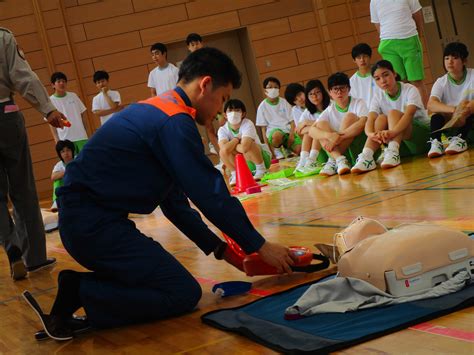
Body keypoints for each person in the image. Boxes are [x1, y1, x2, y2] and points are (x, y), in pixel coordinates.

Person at [22, 47, 295, 341]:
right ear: (205, 85)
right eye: (223, 99)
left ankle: (80, 292)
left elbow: (175, 205)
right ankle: (82, 290)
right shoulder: (175, 122)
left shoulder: (157, 111)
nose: (220, 109)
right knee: (181, 292)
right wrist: (259, 245)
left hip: (89, 222)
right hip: (92, 226)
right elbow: (210, 194)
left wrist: (227, 252)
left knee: (171, 284)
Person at [0, 27, 64, 280]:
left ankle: (10, 247)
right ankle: (35, 258)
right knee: (23, 190)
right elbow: (22, 76)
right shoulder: (3, 37)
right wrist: (47, 109)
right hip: (6, 113)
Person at [351, 60, 430, 174]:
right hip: (401, 146)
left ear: (394, 73)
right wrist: (371, 134)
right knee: (381, 118)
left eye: (386, 75)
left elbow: (409, 115)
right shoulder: (378, 96)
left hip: (421, 139)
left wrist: (392, 132)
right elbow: (371, 118)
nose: (382, 81)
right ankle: (367, 156)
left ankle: (392, 151)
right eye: (377, 78)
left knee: (393, 113)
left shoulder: (409, 89)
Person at [309, 72, 368, 176]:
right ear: (330, 92)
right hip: (340, 150)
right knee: (321, 125)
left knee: (350, 117)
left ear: (349, 89)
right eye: (335, 89)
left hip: (359, 150)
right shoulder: (329, 110)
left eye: (342, 88)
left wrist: (338, 138)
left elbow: (362, 123)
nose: (339, 92)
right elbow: (312, 131)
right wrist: (330, 136)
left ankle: (333, 160)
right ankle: (339, 159)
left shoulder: (359, 103)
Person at [370, 0, 428, 105]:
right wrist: (385, 37)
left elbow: (417, 14)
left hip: (409, 38)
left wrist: (418, 34)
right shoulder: (374, 1)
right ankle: (406, 116)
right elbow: (377, 23)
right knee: (399, 82)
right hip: (388, 44)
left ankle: (423, 115)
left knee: (416, 81)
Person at [427, 42, 473, 158]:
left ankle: (460, 139)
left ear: (464, 61)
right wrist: (454, 109)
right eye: (446, 58)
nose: (450, 61)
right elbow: (431, 104)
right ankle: (436, 142)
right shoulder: (441, 82)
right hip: (450, 118)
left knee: (467, 104)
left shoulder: (472, 75)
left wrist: (463, 109)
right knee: (436, 115)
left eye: (455, 58)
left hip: (468, 115)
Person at [218, 99, 271, 185]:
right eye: (230, 110)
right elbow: (224, 150)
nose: (234, 113)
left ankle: (261, 169)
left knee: (250, 145)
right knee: (222, 152)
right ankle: (236, 174)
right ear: (225, 115)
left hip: (261, 158)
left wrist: (231, 144)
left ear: (243, 114)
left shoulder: (248, 124)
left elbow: (244, 148)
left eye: (237, 110)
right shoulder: (222, 130)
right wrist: (237, 139)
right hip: (243, 163)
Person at [256, 77, 302, 159]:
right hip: (274, 134)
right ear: (265, 90)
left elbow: (292, 121)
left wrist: (291, 136)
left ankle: (287, 148)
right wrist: (269, 150)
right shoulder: (262, 107)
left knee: (299, 149)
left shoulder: (284, 102)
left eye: (275, 87)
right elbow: (263, 129)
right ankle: (277, 149)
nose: (273, 89)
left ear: (279, 90)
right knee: (277, 135)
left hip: (287, 132)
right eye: (270, 87)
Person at [294, 80, 330, 176]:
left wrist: (307, 123)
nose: (314, 96)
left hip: (329, 143)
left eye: (317, 92)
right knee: (311, 131)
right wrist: (311, 128)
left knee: (316, 129)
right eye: (311, 94)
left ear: (323, 92)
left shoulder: (331, 106)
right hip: (319, 150)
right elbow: (298, 130)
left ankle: (311, 159)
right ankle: (304, 160)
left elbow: (330, 125)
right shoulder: (308, 112)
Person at [49, 72, 89, 153]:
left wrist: (86, 132)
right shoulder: (50, 101)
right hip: (65, 140)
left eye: (64, 81)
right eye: (59, 81)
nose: (62, 83)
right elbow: (51, 123)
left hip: (81, 137)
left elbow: (83, 113)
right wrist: (56, 140)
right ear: (53, 85)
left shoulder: (73, 96)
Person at [350, 43, 378, 108]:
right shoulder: (351, 81)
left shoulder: (378, 76)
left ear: (370, 57)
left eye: (365, 56)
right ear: (354, 60)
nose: (362, 60)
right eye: (358, 57)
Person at [50, 140, 75, 212]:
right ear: (59, 154)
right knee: (57, 180)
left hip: (78, 185)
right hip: (66, 187)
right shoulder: (59, 165)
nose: (66, 153)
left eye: (68, 150)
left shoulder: (77, 159)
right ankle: (56, 202)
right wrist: (67, 171)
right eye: (63, 151)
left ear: (72, 151)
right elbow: (53, 177)